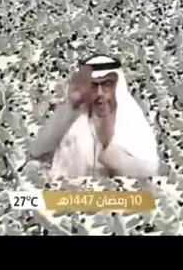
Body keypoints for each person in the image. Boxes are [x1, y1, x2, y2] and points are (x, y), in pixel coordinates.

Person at [29, 56, 160, 179]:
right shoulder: (73, 116)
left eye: (106, 85)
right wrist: (69, 109)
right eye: (93, 86)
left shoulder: (131, 117)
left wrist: (115, 158)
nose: (99, 93)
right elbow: (39, 150)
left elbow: (149, 171)